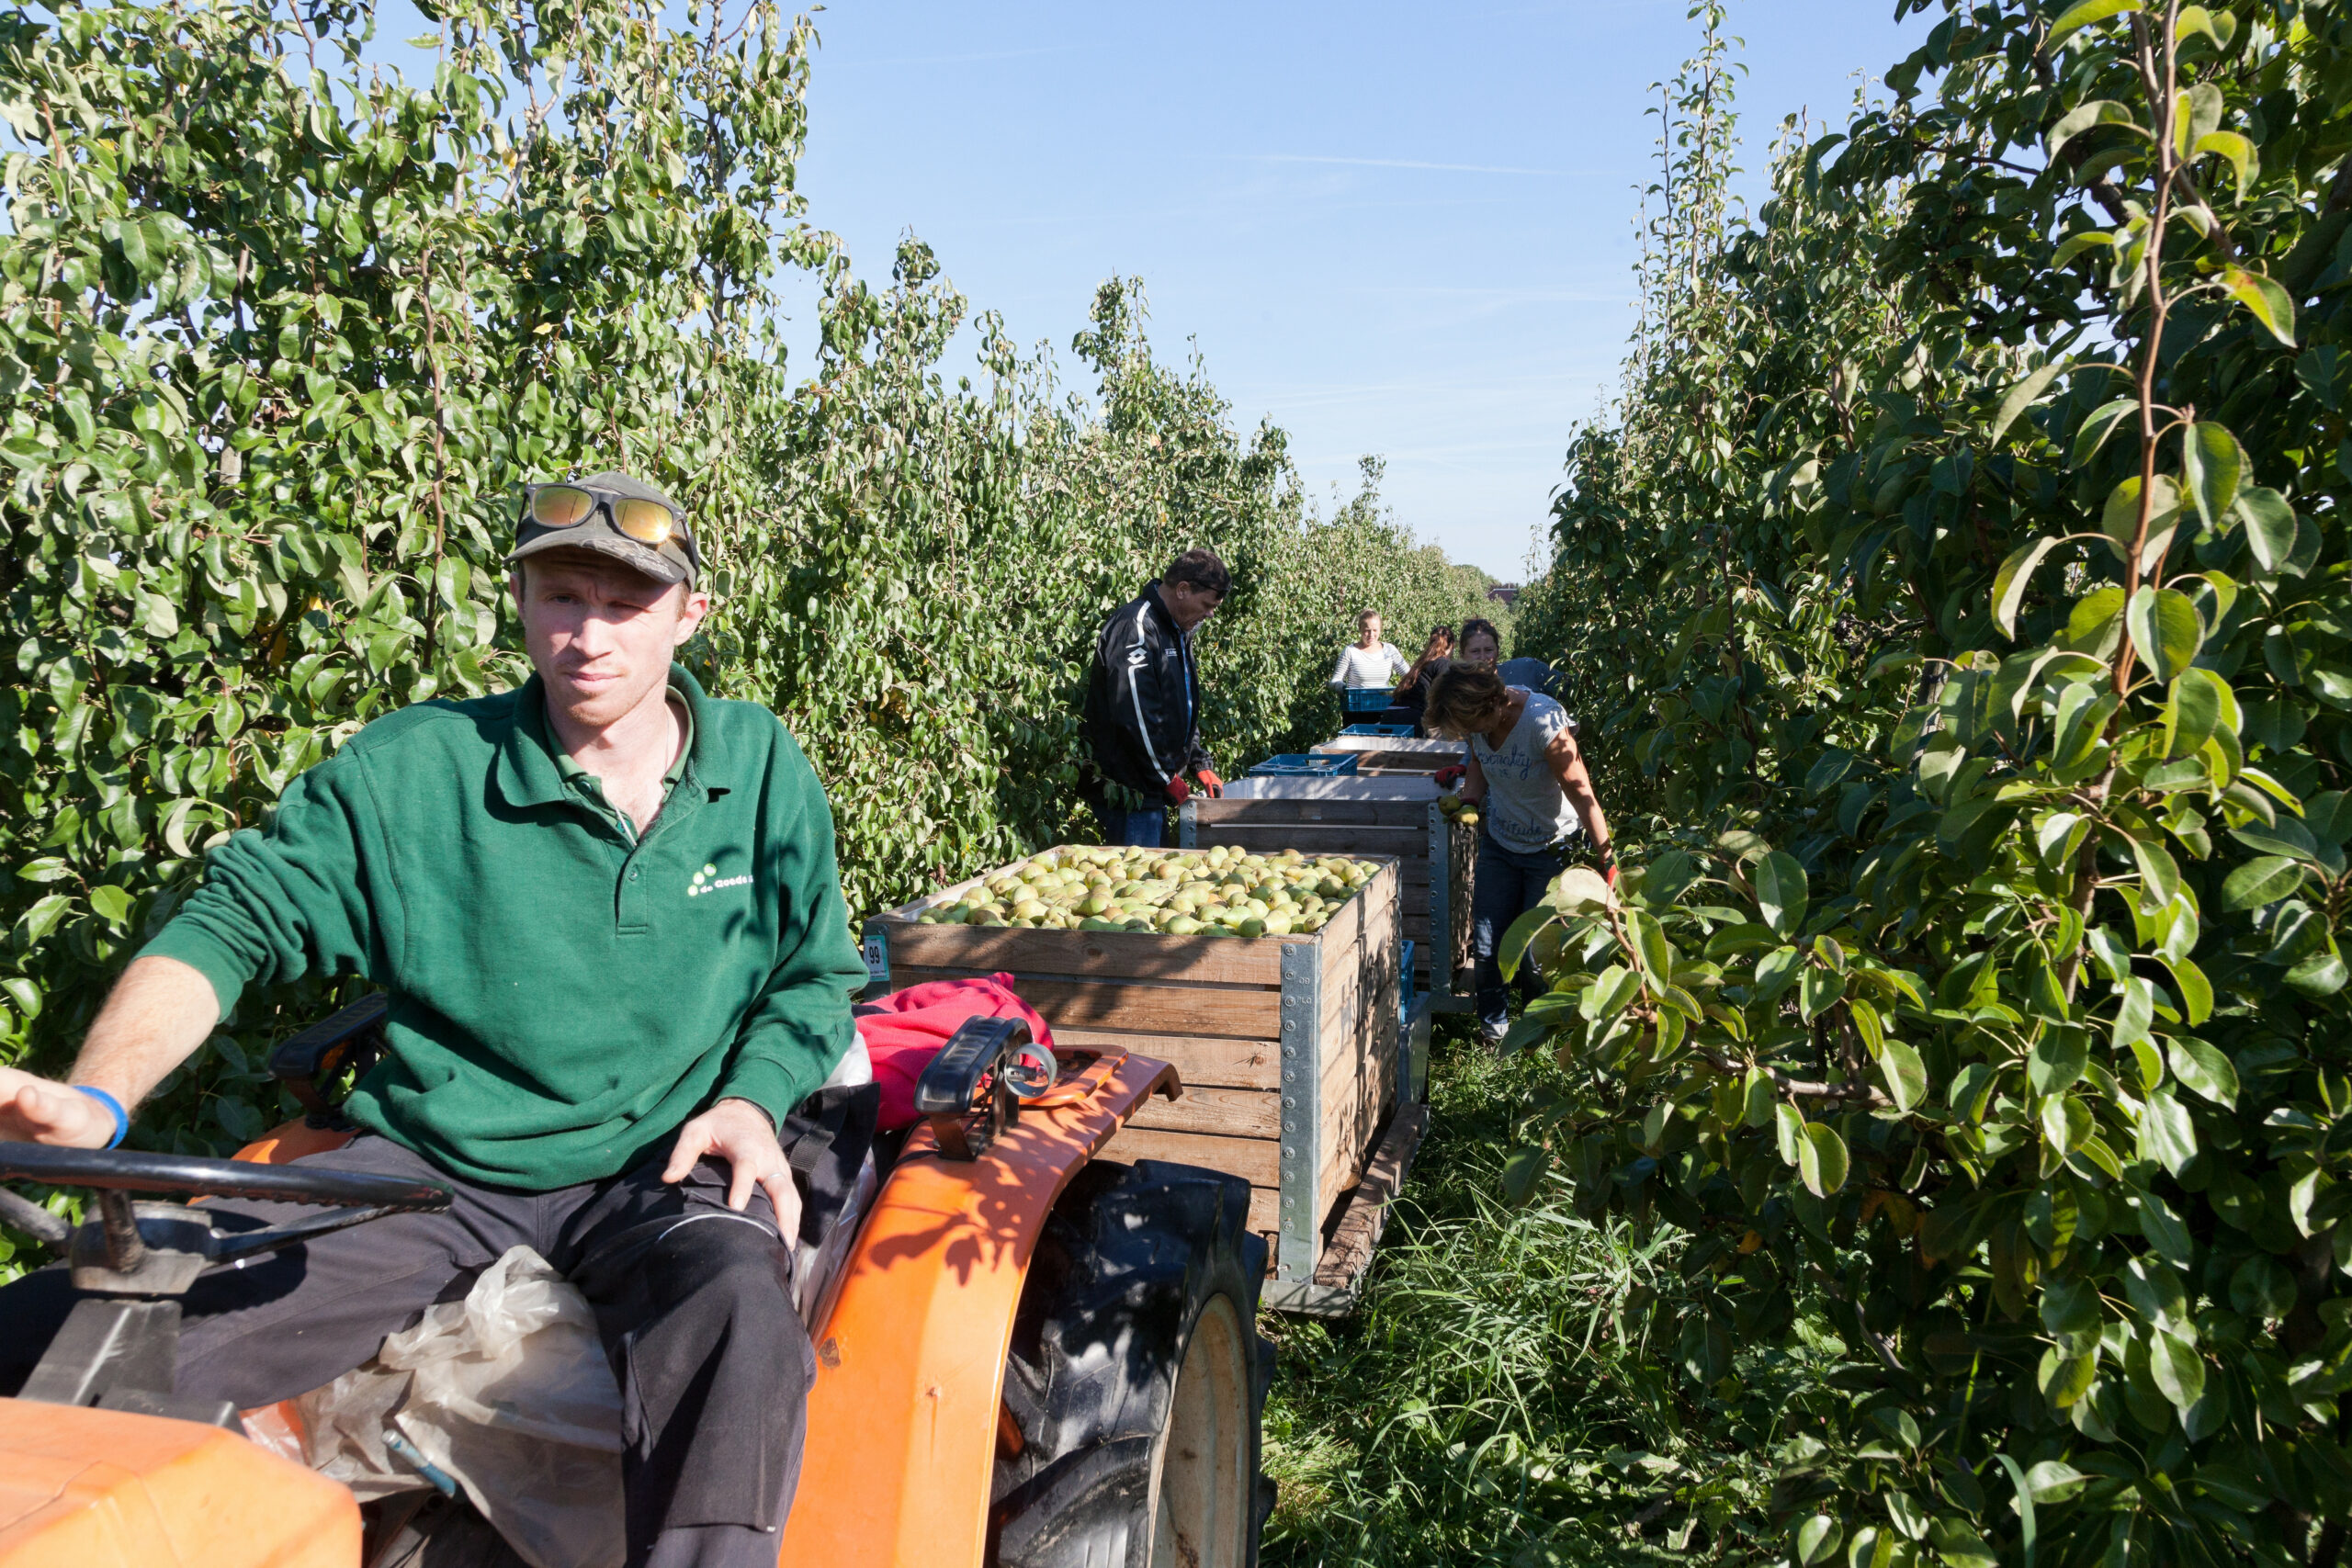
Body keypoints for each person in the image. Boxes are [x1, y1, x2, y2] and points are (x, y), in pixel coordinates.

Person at [0, 471, 872, 1568]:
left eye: (626, 605)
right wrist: (97, 1097)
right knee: (89, 1330)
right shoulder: (418, 771)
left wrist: (751, 1102)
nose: (589, 637)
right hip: (437, 1170)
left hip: (665, 1157)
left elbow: (811, 974)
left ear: (688, 613)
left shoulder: (759, 767)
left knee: (741, 1317)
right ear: (518, 599)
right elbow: (233, 923)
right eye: (563, 597)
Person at [1423, 663, 1615, 1046]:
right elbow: (1478, 761)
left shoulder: (1542, 722)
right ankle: (1494, 1031)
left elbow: (1582, 794)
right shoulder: (1480, 724)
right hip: (1500, 844)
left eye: (1471, 727)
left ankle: (1536, 1031)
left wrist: (1607, 859)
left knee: (1534, 952)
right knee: (1488, 942)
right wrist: (1472, 799)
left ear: (1491, 706)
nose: (1471, 735)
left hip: (1550, 849)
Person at [1082, 547, 1229, 847]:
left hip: (1152, 788)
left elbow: (1181, 703)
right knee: (1138, 884)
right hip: (1131, 791)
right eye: (1207, 604)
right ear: (1183, 590)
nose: (1211, 613)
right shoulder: (1136, 627)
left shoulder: (1176, 631)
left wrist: (1199, 761)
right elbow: (1134, 711)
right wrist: (1165, 776)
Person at [1460, 615, 1564, 698]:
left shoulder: (1528, 669)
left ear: (1498, 651)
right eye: (1475, 651)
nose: (1483, 658)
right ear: (1462, 655)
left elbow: (1571, 687)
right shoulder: (1457, 694)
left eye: (1488, 650)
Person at [1382, 624, 1454, 732]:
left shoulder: (1420, 663)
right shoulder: (1443, 664)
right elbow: (1443, 698)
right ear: (1452, 645)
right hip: (1410, 719)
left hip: (1389, 716)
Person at [1328, 609, 1409, 693]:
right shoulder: (1350, 652)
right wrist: (1341, 687)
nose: (1371, 634)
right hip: (1357, 703)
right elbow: (1335, 681)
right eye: (1367, 630)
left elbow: (1410, 675)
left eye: (1375, 630)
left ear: (1380, 630)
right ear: (1360, 629)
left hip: (1382, 703)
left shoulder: (1389, 650)